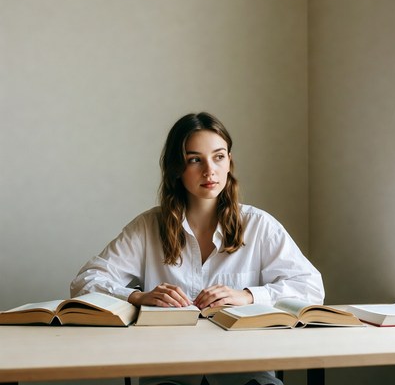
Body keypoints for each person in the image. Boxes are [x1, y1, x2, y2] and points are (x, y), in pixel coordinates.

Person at [70, 112, 324, 385]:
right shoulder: (147, 227)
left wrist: (249, 296)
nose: (209, 170)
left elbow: (311, 288)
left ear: (229, 162)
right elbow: (84, 283)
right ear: (177, 168)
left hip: (247, 374)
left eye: (218, 156)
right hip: (167, 375)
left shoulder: (259, 225)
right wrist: (136, 297)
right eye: (195, 160)